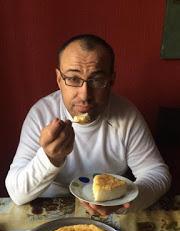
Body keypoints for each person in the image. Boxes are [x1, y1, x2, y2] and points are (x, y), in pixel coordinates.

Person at [5, 34, 171, 216]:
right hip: (49, 209)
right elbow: (16, 193)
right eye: (74, 79)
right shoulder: (41, 114)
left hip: (111, 212)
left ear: (111, 80)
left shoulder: (126, 115)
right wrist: (49, 158)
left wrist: (125, 202)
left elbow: (157, 174)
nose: (85, 95)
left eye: (97, 80)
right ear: (59, 79)